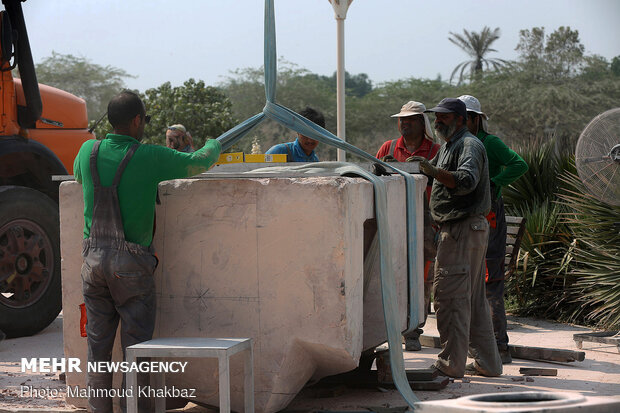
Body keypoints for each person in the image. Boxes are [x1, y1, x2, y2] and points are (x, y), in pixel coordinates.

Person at [73, 91, 221, 412]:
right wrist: (214, 143)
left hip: (93, 262)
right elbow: (199, 162)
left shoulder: (87, 151)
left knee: (97, 349)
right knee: (137, 351)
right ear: (138, 121)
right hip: (131, 265)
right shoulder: (150, 156)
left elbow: (77, 177)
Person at [407, 98, 502, 378]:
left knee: (450, 298)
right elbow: (427, 171)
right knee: (472, 300)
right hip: (464, 230)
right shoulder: (450, 144)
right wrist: (399, 168)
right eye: (436, 117)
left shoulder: (469, 145)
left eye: (445, 117)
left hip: (461, 229)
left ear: (461, 119)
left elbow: (465, 181)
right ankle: (488, 363)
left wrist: (432, 170)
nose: (438, 121)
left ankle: (451, 364)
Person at [458, 95, 528, 364]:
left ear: (476, 119)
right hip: (468, 216)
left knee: (490, 282)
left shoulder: (490, 143)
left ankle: (500, 347)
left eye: (466, 119)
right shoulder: (459, 144)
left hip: (490, 218)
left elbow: (519, 164)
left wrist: (493, 182)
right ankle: (477, 345)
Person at [375, 101, 440, 352]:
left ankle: (414, 330)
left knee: (421, 278)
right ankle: (392, 327)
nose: (405, 123)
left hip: (424, 222)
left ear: (422, 123)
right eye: (402, 120)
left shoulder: (435, 150)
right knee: (394, 275)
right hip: (393, 219)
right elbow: (373, 177)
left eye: (411, 120)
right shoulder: (389, 148)